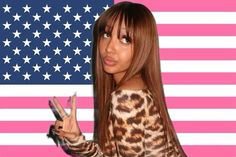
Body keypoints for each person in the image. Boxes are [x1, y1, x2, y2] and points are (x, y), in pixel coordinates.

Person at [48, 1, 187, 157]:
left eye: (125, 39)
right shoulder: (138, 88)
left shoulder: (125, 98)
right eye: (106, 34)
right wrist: (76, 139)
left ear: (143, 46)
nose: (109, 48)